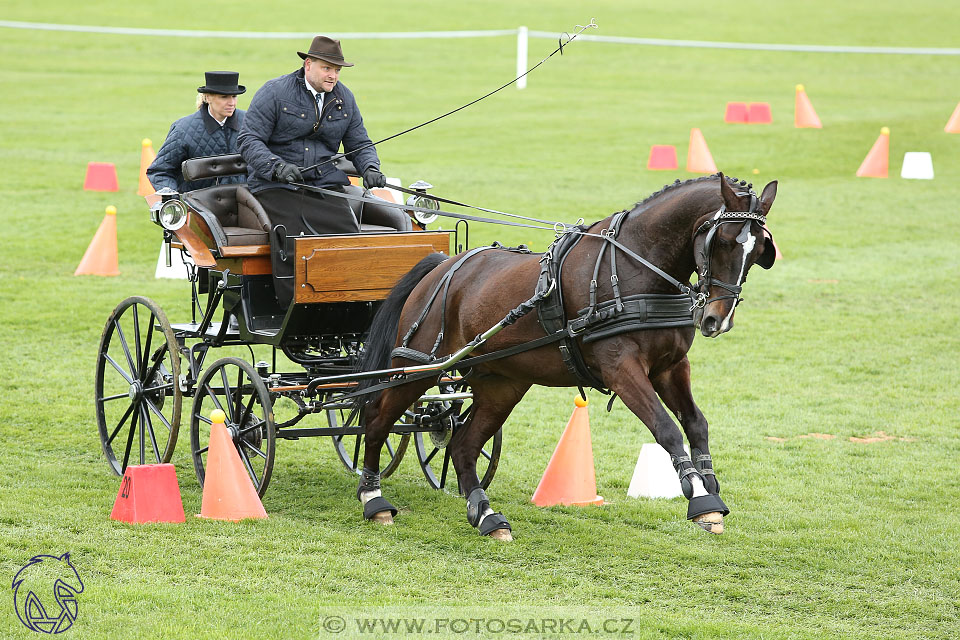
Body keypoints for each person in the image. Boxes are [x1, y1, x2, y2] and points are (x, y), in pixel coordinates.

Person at [238, 35, 392, 306]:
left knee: (347, 234)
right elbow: (248, 140)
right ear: (308, 65)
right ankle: (295, 304)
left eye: (337, 70)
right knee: (295, 236)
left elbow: (360, 142)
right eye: (327, 68)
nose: (333, 75)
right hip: (276, 185)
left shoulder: (344, 98)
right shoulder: (274, 92)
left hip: (323, 185)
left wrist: (370, 167)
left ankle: (348, 302)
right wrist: (276, 167)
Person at [147, 71, 247, 192]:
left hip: (245, 203)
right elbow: (160, 171)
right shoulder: (183, 130)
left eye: (234, 96)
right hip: (199, 207)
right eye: (224, 97)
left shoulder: (250, 123)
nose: (231, 103)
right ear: (208, 97)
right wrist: (172, 196)